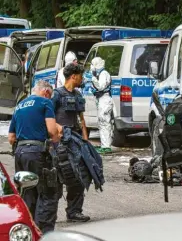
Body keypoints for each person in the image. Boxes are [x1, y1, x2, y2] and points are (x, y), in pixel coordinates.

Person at [8, 80, 62, 233]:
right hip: (37, 154)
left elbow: (11, 137)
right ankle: (43, 233)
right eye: (50, 95)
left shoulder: (19, 106)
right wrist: (57, 144)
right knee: (47, 193)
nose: (50, 98)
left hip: (20, 154)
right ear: (46, 92)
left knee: (28, 193)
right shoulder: (45, 102)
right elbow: (52, 131)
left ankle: (26, 231)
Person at [51, 63, 91, 223]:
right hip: (59, 144)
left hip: (76, 142)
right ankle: (49, 215)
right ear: (73, 76)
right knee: (57, 179)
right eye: (81, 75)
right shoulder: (57, 95)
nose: (83, 79)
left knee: (79, 176)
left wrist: (85, 139)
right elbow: (48, 118)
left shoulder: (77, 95)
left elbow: (81, 120)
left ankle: (74, 212)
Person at [90, 57, 113, 153]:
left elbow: (101, 86)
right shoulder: (102, 74)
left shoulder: (103, 74)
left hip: (105, 100)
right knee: (102, 123)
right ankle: (104, 145)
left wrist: (93, 79)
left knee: (104, 123)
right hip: (103, 100)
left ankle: (106, 146)